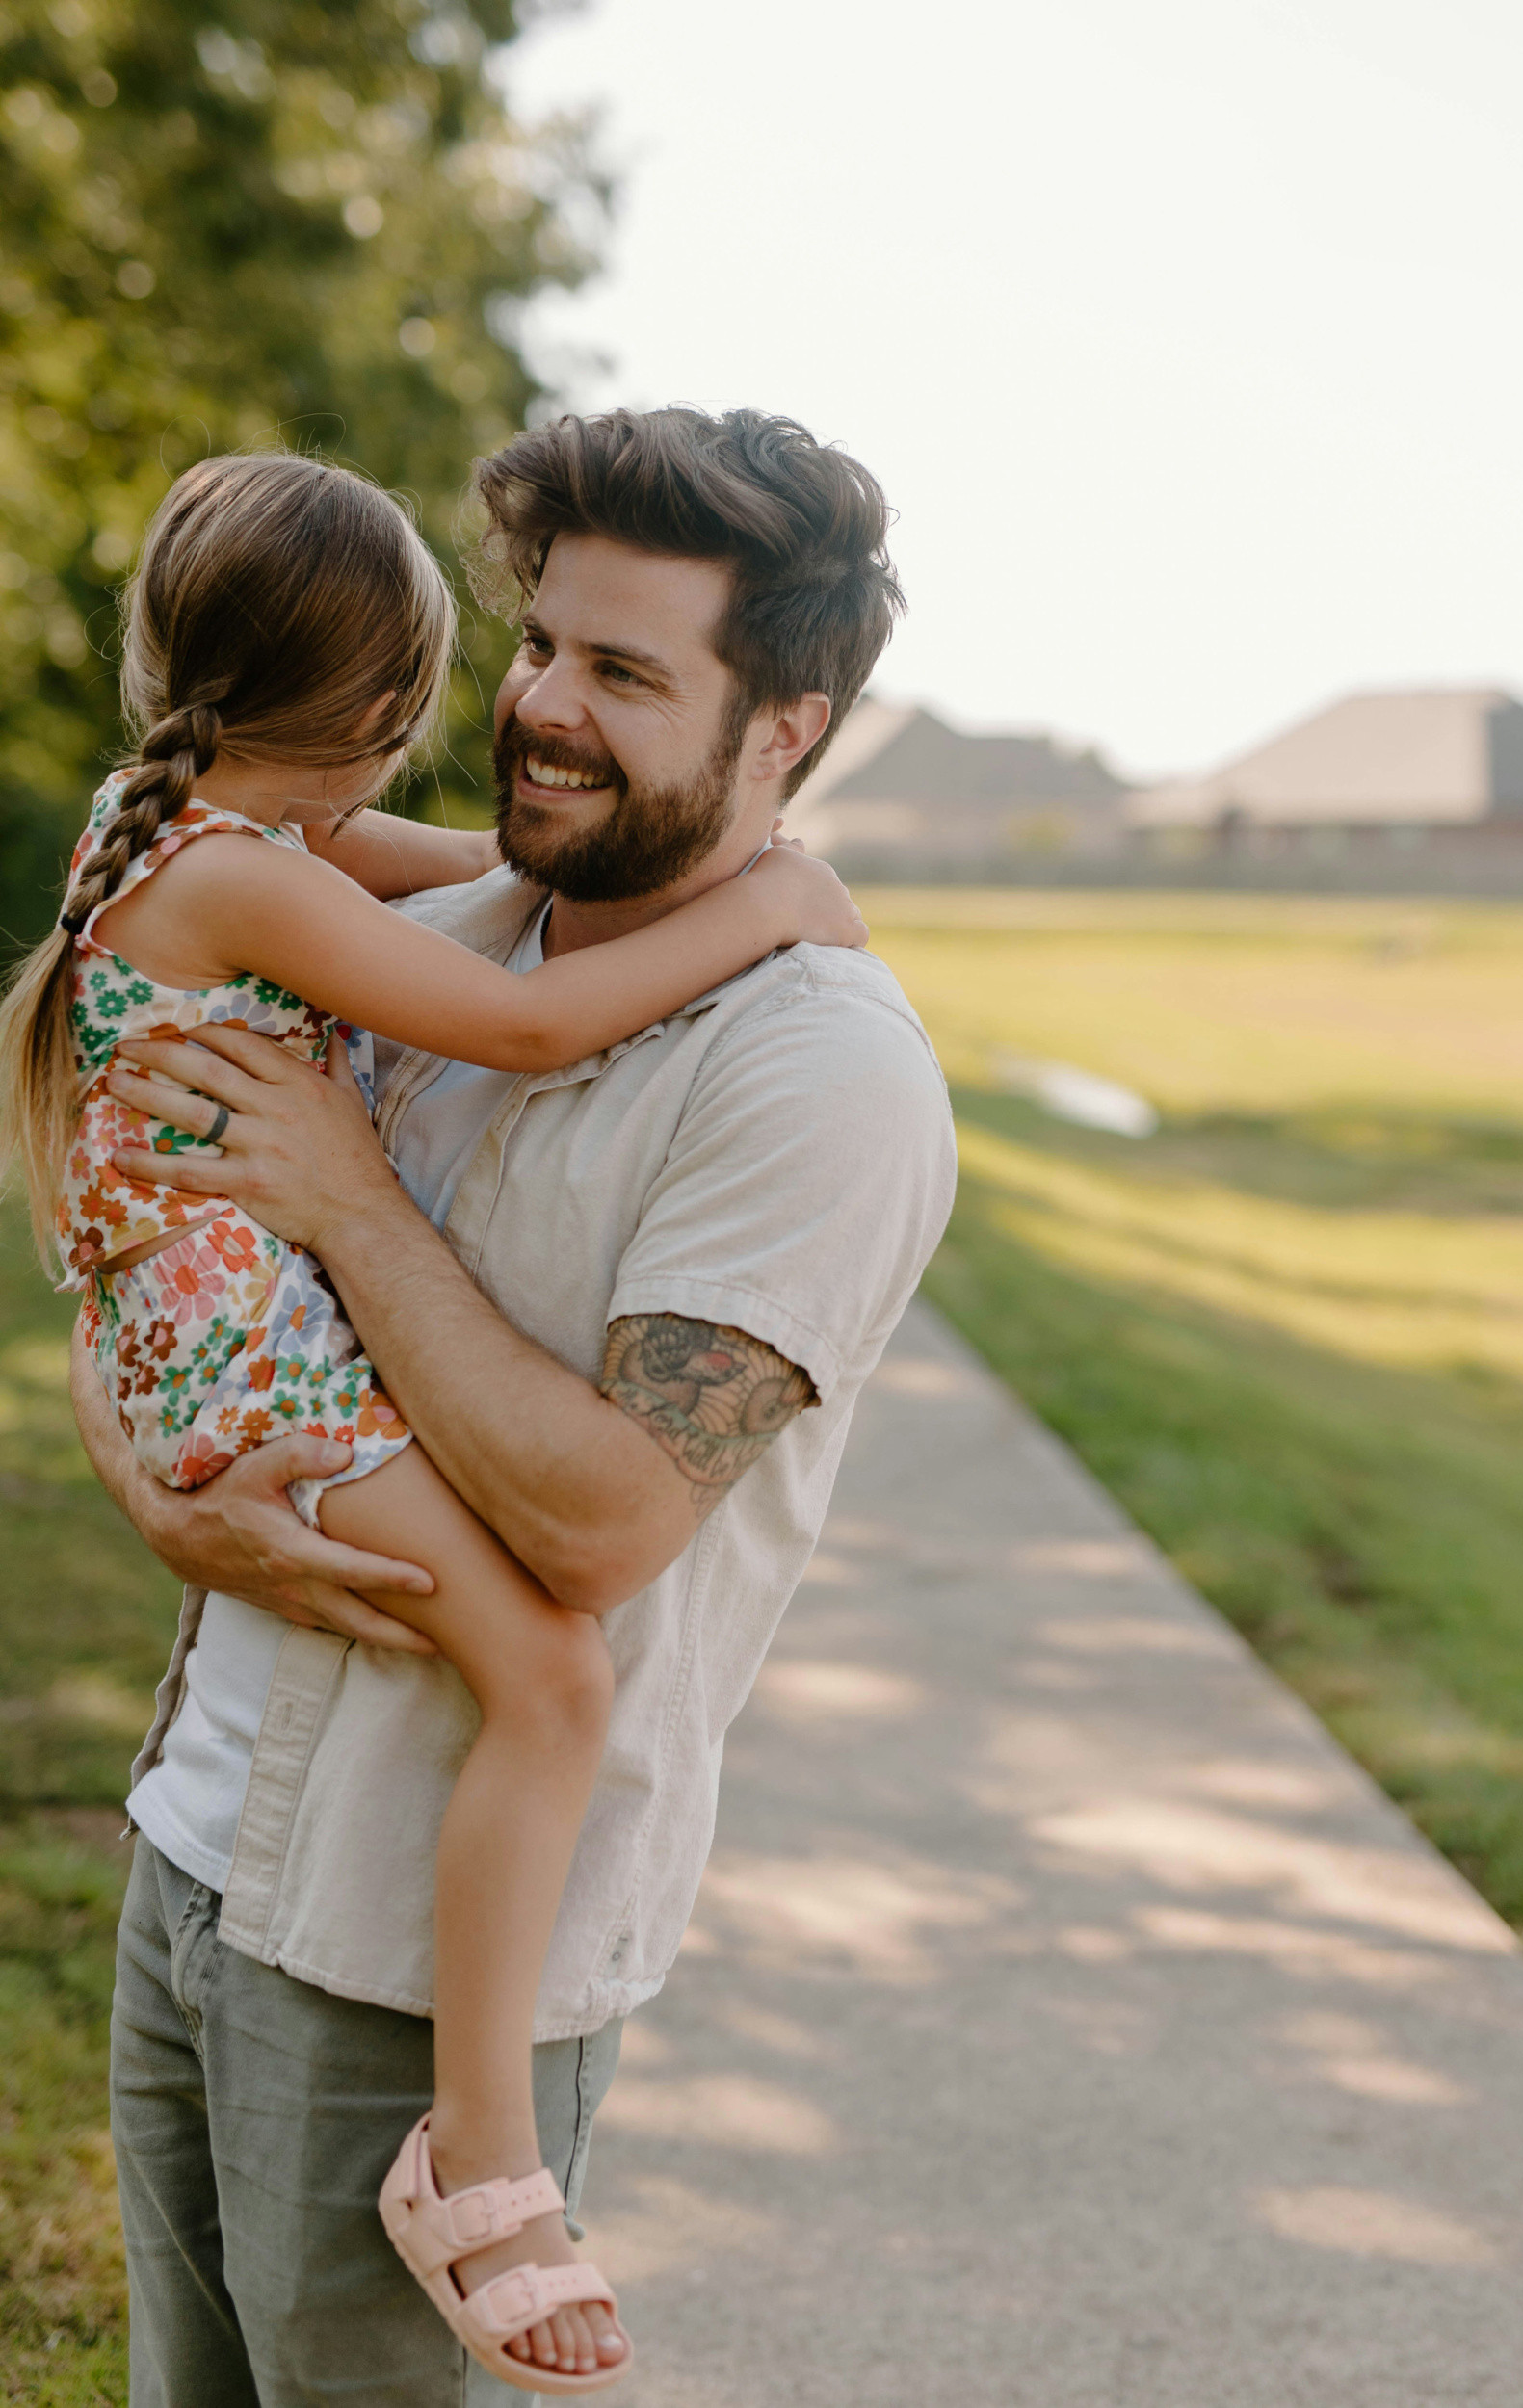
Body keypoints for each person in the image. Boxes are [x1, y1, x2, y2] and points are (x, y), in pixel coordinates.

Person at [68, 406, 958, 2404]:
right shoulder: (448, 922)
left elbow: (599, 1525)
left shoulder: (816, 1075)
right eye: (541, 642)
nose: (540, 705)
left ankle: (492, 2167)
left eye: (623, 674)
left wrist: (348, 1195)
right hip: (199, 1851)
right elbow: (148, 1231)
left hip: (405, 1953)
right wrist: (155, 1488)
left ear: (787, 731)